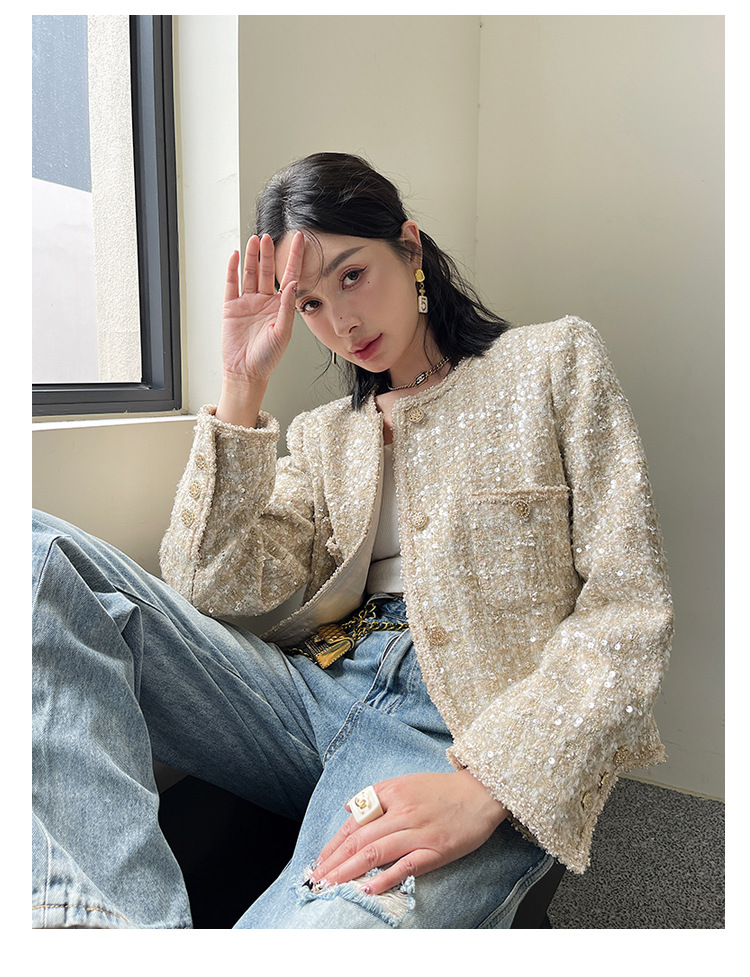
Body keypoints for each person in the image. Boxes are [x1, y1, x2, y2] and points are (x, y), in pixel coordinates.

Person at [32, 152, 673, 929]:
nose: (341, 323)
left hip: (457, 733)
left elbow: (627, 605)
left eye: (351, 276)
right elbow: (211, 582)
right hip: (304, 694)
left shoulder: (551, 363)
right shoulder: (325, 434)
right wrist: (241, 386)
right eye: (308, 302)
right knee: (33, 554)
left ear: (410, 247)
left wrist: (489, 784)